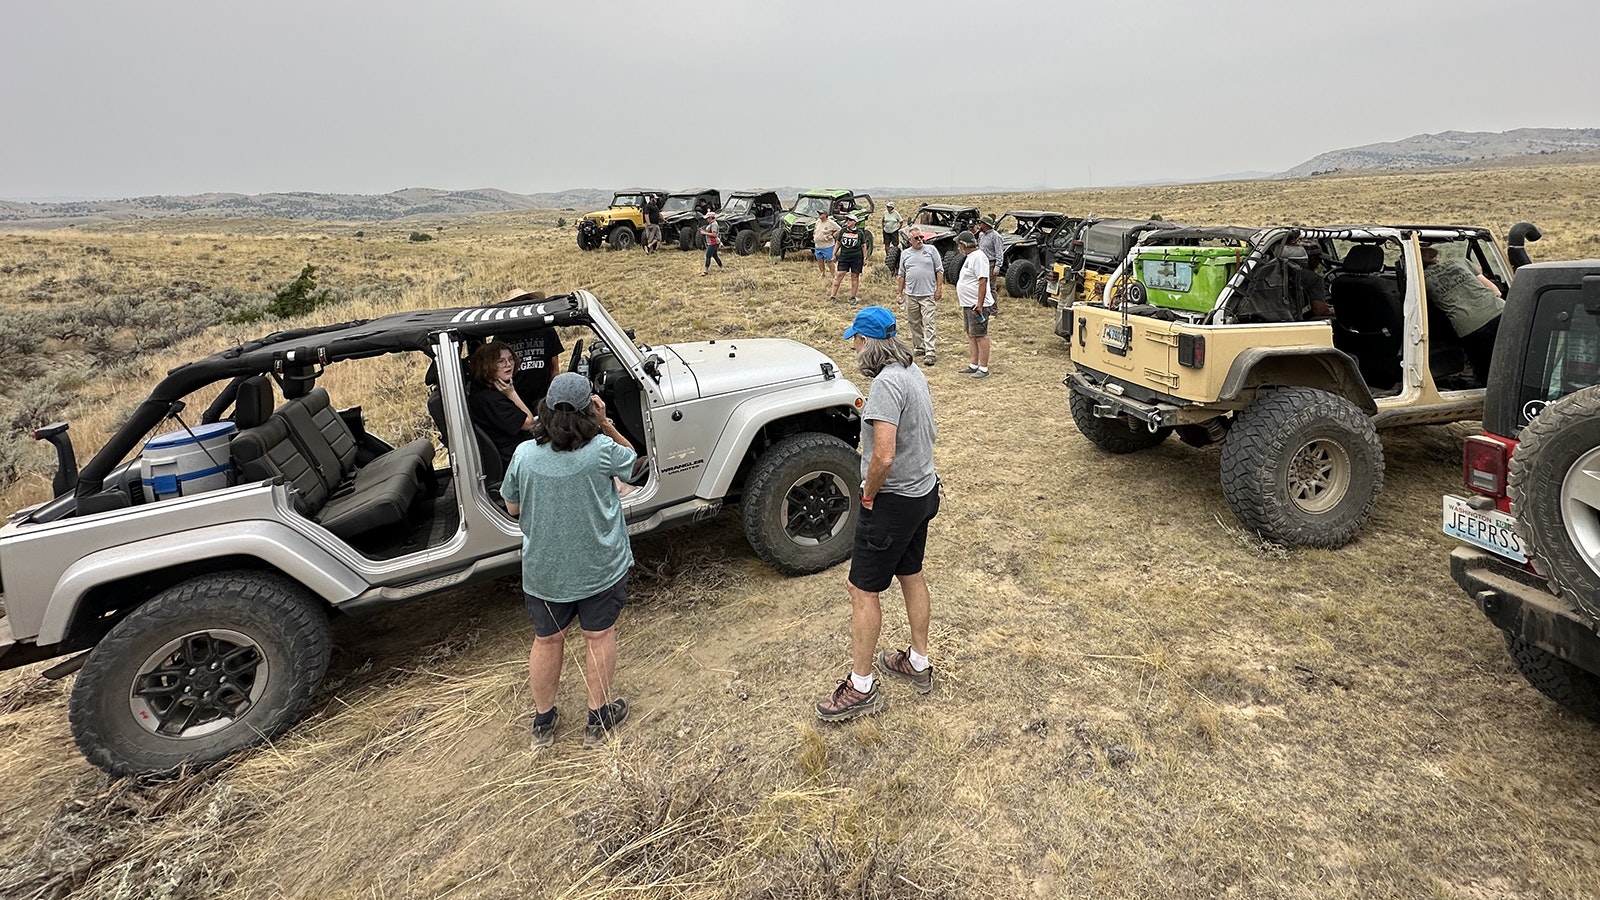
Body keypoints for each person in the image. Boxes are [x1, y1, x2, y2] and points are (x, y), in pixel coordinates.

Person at [816, 306, 940, 722]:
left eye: (856, 339)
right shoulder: (911, 372)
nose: (853, 346)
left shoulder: (887, 384)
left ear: (867, 343)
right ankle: (918, 662)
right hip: (922, 492)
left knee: (862, 590)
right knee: (911, 574)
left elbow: (883, 456)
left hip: (893, 502)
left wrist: (867, 494)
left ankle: (861, 685)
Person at [503, 372, 638, 749]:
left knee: (546, 641)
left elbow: (512, 507)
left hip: (545, 571)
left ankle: (543, 724)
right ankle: (597, 720)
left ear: (544, 409)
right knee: (599, 636)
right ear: (588, 411)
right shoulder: (601, 450)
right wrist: (607, 423)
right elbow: (633, 464)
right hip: (599, 566)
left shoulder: (523, 454)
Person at [1422, 245, 1504, 384]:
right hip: (1500, 312)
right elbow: (1496, 292)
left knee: (1484, 371)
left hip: (1470, 326)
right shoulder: (1461, 261)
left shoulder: (1421, 280)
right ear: (1435, 256)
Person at [467, 340, 536, 466]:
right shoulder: (490, 399)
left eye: (511, 359)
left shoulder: (484, 390)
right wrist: (511, 393)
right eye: (501, 361)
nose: (508, 364)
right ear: (487, 366)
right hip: (514, 457)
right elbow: (529, 423)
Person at [896, 229, 943, 366]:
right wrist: (900, 292)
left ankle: (930, 351)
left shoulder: (931, 250)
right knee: (914, 322)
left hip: (927, 294)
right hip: (911, 294)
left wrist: (939, 289)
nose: (919, 240)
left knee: (929, 322)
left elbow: (939, 270)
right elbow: (901, 274)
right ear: (910, 240)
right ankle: (919, 346)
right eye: (916, 238)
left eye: (921, 237)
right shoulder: (905, 254)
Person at [955, 231, 994, 379]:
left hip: (976, 305)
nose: (958, 247)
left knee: (980, 335)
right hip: (968, 304)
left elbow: (982, 280)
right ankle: (973, 364)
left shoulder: (978, 257)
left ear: (964, 245)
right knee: (971, 334)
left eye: (959, 244)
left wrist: (980, 303)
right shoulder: (970, 257)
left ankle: (983, 368)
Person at [830, 214, 866, 304]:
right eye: (847, 220)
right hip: (844, 256)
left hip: (856, 257)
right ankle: (832, 296)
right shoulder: (843, 231)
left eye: (850, 220)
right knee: (839, 275)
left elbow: (863, 245)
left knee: (855, 276)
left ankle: (853, 297)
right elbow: (838, 243)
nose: (848, 222)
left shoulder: (860, 233)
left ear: (855, 222)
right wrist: (834, 254)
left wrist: (865, 258)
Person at [975, 216, 1005, 313]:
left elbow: (999, 252)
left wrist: (997, 266)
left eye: (982, 223)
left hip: (991, 264)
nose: (980, 225)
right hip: (982, 263)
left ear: (987, 225)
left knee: (991, 287)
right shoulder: (981, 235)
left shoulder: (996, 236)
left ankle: (993, 310)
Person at [813, 210, 841, 280]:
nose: (819, 214)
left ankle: (833, 275)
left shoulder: (831, 223)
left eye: (821, 213)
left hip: (827, 246)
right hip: (818, 245)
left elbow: (839, 229)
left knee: (829, 261)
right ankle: (822, 274)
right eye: (819, 213)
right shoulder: (818, 222)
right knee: (820, 260)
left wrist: (832, 236)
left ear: (825, 215)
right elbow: (815, 229)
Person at [700, 211, 724, 276]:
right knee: (715, 256)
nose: (706, 219)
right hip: (712, 242)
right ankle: (721, 268)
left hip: (713, 243)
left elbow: (714, 234)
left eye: (707, 218)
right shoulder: (712, 224)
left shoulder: (714, 225)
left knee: (708, 256)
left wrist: (704, 233)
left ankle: (706, 271)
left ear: (711, 218)